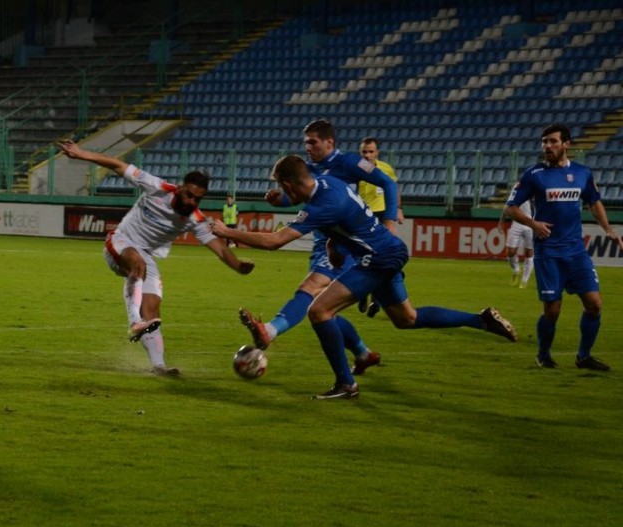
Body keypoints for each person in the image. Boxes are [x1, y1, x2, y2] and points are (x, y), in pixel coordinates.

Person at [212, 155, 518, 399]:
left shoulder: (321, 205)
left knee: (318, 310)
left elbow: (274, 242)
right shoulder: (331, 182)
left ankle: (346, 384)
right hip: (389, 250)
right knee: (406, 318)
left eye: (282, 187)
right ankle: (480, 319)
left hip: (378, 258)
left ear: (290, 185)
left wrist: (227, 231)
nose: (283, 193)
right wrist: (334, 243)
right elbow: (348, 218)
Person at [56, 138, 255, 375]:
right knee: (137, 265)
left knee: (152, 308)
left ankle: (158, 366)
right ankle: (133, 323)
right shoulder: (156, 187)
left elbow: (219, 248)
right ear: (181, 189)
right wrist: (81, 154)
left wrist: (238, 266)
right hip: (120, 242)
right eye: (190, 195)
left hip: (146, 255)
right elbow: (116, 165)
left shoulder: (195, 219)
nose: (192, 202)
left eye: (198, 199)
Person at [239, 119, 398, 375]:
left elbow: (388, 183)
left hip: (342, 243)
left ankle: (270, 330)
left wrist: (390, 220)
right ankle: (363, 353)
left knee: (311, 290)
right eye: (306, 143)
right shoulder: (307, 169)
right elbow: (300, 197)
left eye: (312, 142)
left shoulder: (349, 162)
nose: (308, 147)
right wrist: (280, 200)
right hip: (322, 241)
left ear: (329, 142)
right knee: (325, 309)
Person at [504, 123, 623, 371]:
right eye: (544, 142)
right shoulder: (533, 175)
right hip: (549, 252)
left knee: (594, 305)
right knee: (553, 310)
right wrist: (533, 223)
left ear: (566, 144)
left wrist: (608, 229)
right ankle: (543, 354)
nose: (547, 146)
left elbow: (594, 202)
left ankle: (583, 356)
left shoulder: (582, 173)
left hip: (576, 251)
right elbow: (511, 208)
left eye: (553, 141)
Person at [357, 136, 403, 317]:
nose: (367, 155)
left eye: (370, 151)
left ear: (377, 153)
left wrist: (398, 208)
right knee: (363, 256)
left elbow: (394, 189)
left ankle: (376, 299)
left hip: (383, 216)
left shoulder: (385, 169)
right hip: (362, 217)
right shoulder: (355, 170)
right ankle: (363, 292)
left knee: (383, 256)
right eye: (364, 152)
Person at [499, 195, 534, 288]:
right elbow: (507, 206)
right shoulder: (517, 189)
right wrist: (501, 222)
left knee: (529, 252)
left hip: (531, 223)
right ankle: (516, 269)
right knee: (510, 252)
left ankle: (524, 281)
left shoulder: (535, 187)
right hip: (517, 223)